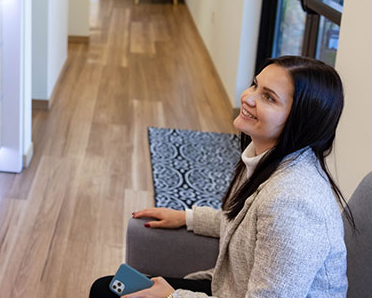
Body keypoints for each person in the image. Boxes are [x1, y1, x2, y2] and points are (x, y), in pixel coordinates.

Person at [90, 56, 351, 298]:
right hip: (230, 288)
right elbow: (245, 223)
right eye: (255, 85)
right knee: (107, 289)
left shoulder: (293, 205)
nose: (248, 98)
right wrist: (187, 218)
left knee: (107, 291)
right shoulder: (264, 158)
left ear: (301, 120)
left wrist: (172, 296)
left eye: (269, 98)